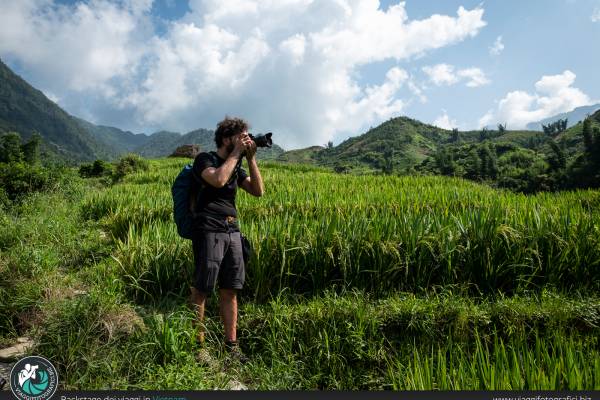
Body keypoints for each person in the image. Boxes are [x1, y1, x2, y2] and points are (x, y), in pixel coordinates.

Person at [189, 116, 264, 362]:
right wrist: (237, 154)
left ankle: (231, 346)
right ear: (226, 138)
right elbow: (218, 179)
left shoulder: (238, 165)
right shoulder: (205, 159)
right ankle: (196, 347)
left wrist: (250, 158)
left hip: (232, 230)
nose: (244, 140)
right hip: (209, 228)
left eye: (246, 136)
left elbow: (257, 191)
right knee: (202, 289)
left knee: (230, 289)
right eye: (240, 136)